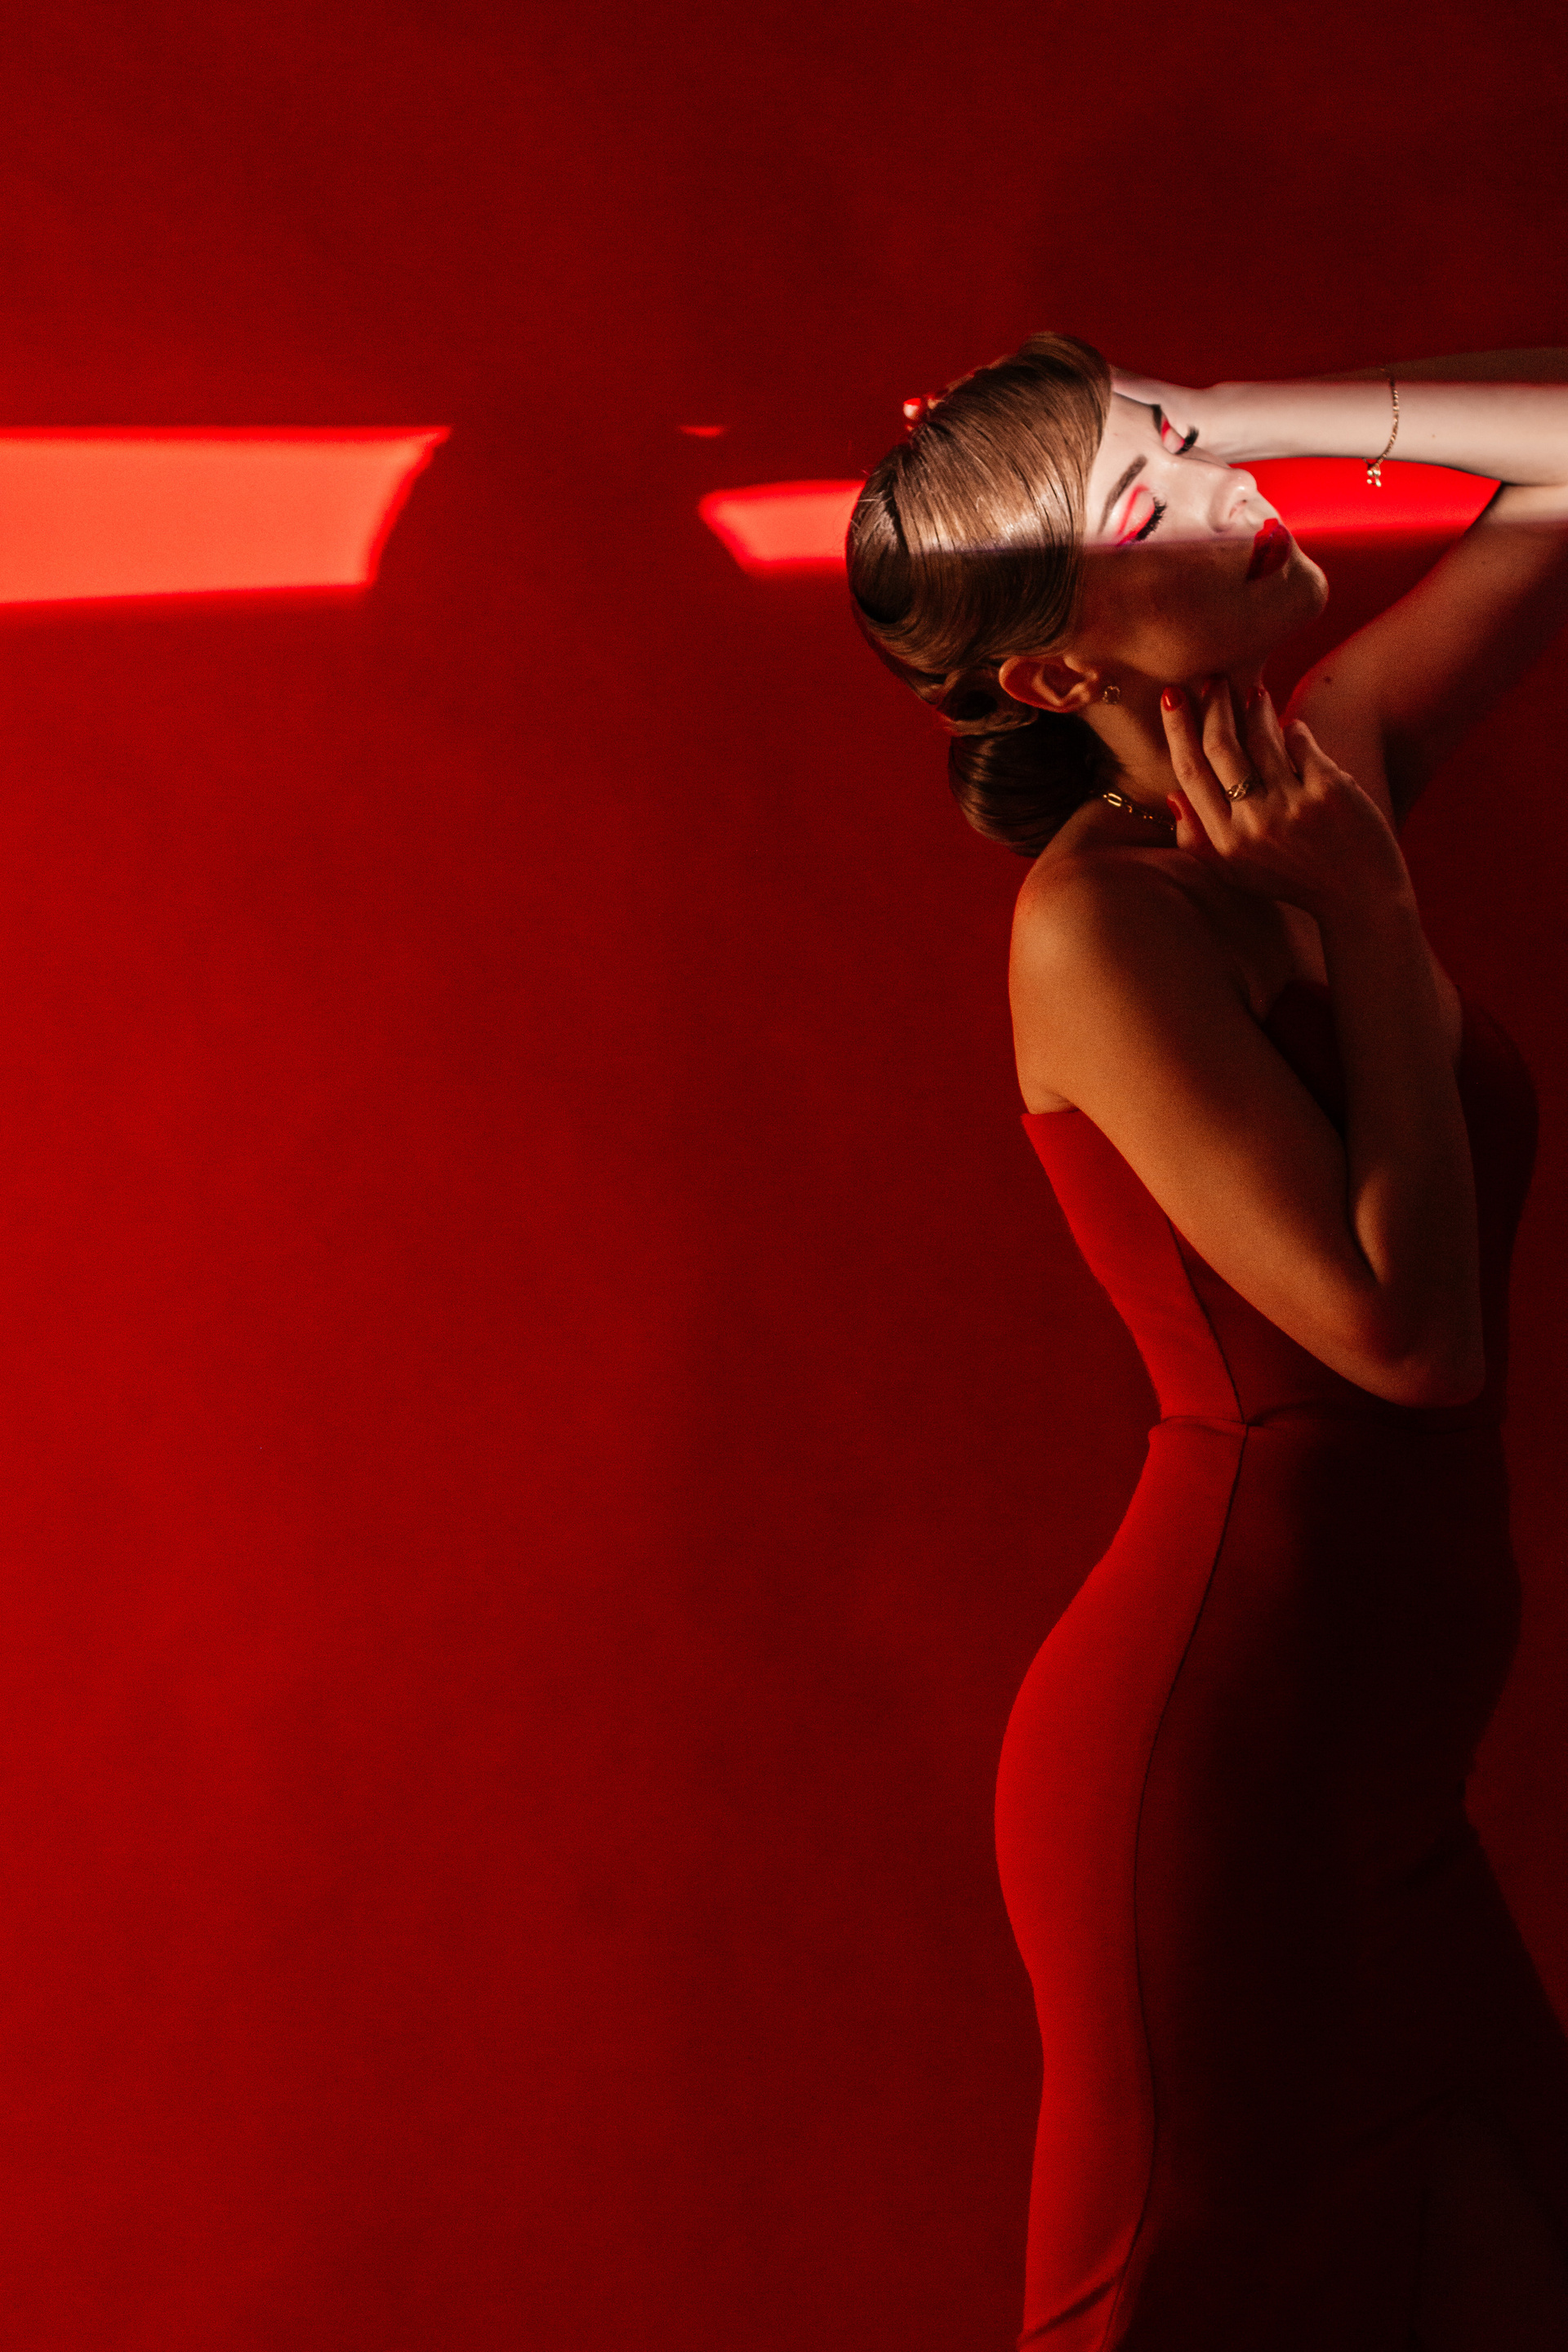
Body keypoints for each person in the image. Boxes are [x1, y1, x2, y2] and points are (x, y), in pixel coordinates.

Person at [847, 336, 1568, 2350]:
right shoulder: (1103, 928)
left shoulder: (1329, 761)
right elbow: (1409, 1342)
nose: (1231, 500)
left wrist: (1243, 419)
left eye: (1187, 449)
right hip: (1223, 1791)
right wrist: (1371, 913)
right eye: (1150, 503)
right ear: (1053, 675)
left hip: (1390, 1779)